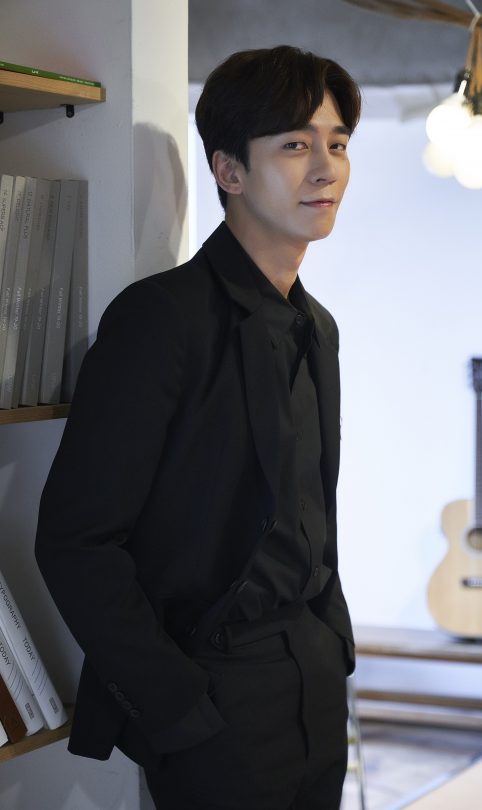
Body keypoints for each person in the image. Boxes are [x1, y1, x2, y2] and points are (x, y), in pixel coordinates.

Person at [35, 45, 361, 810]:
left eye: (338, 143)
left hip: (315, 680)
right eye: (295, 144)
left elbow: (311, 511)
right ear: (228, 170)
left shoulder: (318, 327)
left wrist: (334, 642)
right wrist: (176, 704)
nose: (326, 169)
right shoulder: (161, 319)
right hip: (217, 689)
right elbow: (75, 540)